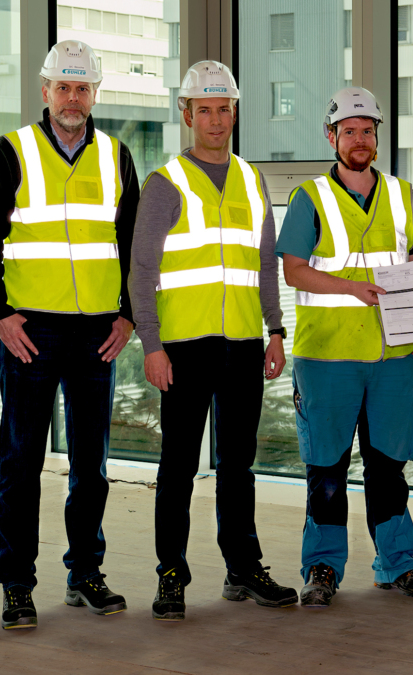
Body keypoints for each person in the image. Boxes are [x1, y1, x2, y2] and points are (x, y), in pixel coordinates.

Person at [0, 40, 140, 629]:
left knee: (91, 462)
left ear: (95, 94)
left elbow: (135, 246)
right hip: (31, 331)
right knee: (21, 460)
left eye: (83, 88)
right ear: (45, 91)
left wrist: (129, 316)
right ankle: (16, 583)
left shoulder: (117, 156)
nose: (73, 98)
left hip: (98, 331)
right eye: (63, 87)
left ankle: (84, 572)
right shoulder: (13, 150)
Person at [131, 60, 297, 622]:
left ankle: (242, 568)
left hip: (244, 344)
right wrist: (151, 346)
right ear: (187, 115)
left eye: (224, 108)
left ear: (234, 112)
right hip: (184, 347)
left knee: (238, 465)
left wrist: (275, 330)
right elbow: (141, 272)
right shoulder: (165, 184)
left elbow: (265, 267)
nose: (216, 119)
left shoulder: (252, 181)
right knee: (177, 466)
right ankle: (171, 575)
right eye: (205, 109)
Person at [278, 87, 413, 607]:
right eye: (349, 131)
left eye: (367, 130)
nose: (360, 139)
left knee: (388, 465)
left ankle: (397, 565)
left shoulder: (401, 193)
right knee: (326, 469)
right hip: (326, 357)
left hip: (391, 357)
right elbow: (294, 269)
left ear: (376, 137)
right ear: (332, 137)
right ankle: (322, 568)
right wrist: (352, 288)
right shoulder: (310, 198)